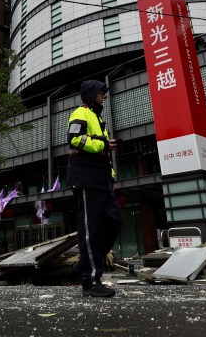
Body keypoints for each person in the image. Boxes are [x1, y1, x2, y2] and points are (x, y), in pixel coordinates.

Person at [68, 80, 120, 298]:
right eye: (101, 93)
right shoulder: (80, 113)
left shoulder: (98, 118)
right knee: (89, 230)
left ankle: (84, 262)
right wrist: (102, 143)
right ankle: (90, 282)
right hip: (87, 180)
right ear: (91, 95)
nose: (104, 97)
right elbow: (74, 140)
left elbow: (104, 155)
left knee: (115, 221)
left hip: (102, 180)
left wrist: (111, 177)